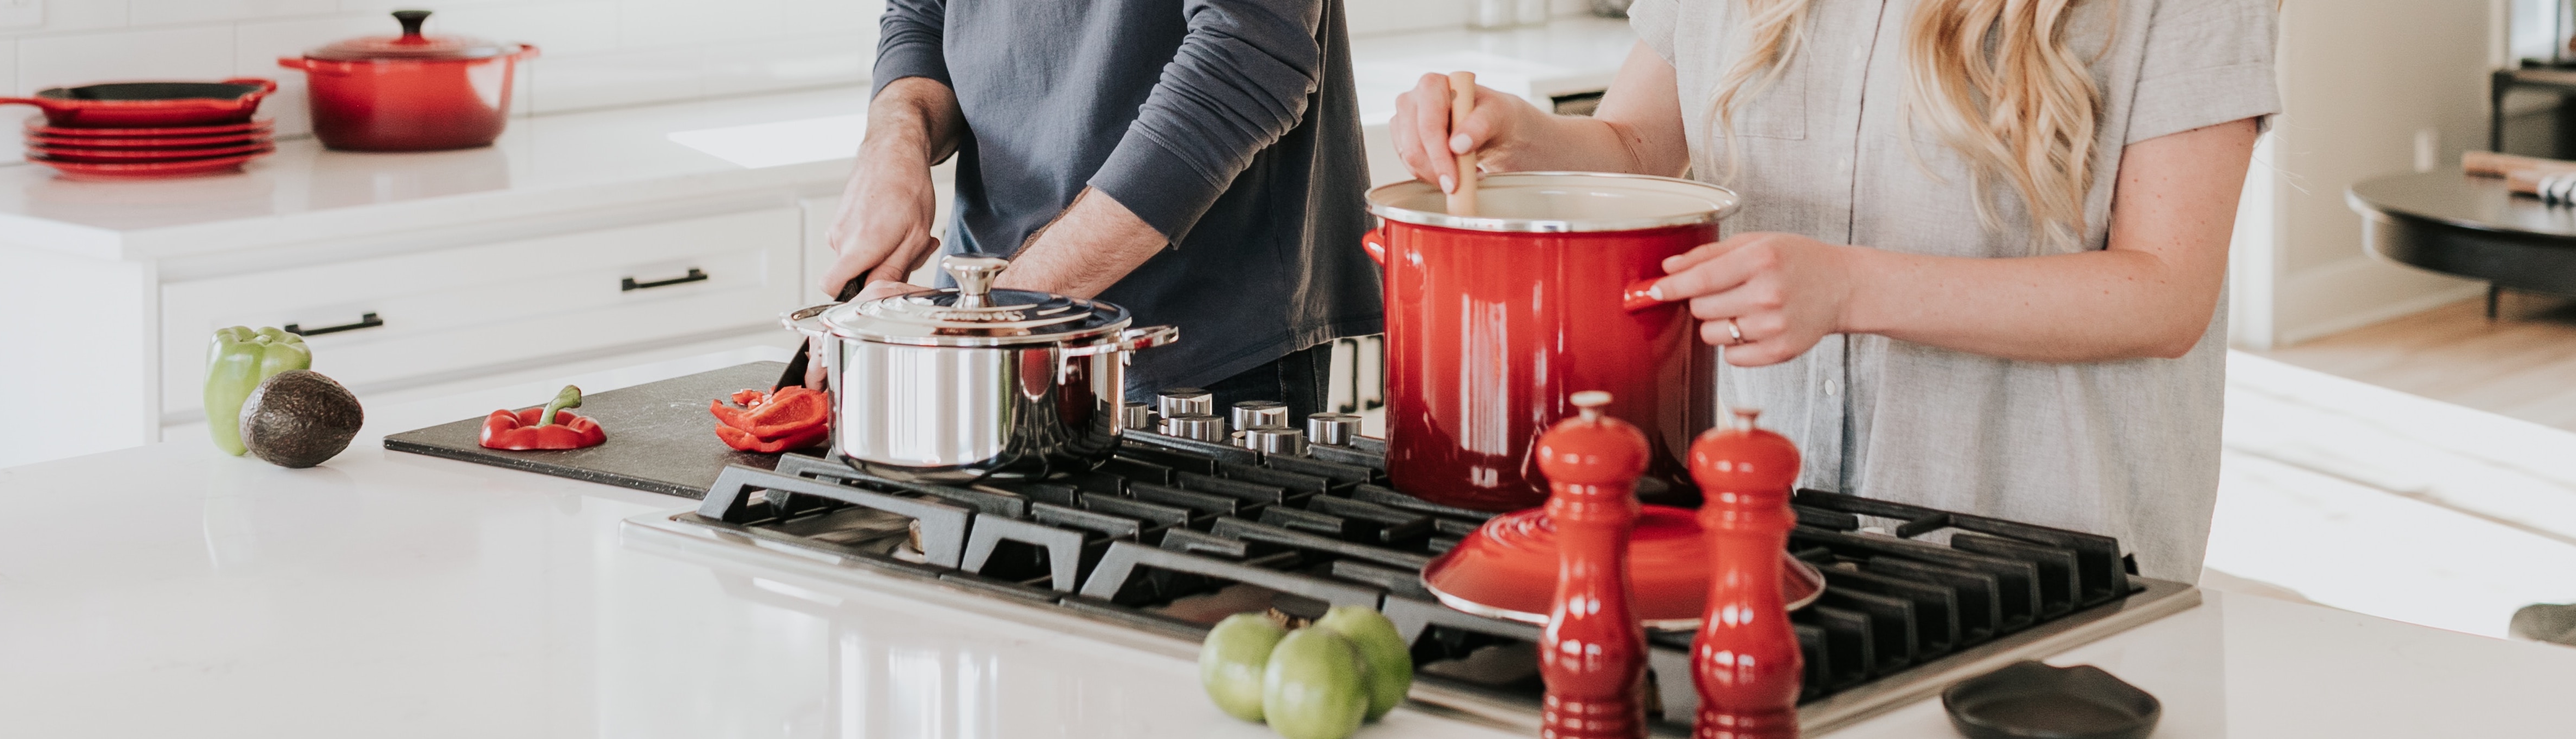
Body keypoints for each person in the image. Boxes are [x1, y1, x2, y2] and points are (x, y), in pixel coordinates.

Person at [1389, 0, 2277, 582]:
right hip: (1763, 543)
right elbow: (1635, 148)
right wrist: (1520, 137)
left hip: (2036, 556)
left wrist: (1848, 289)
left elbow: (2165, 293)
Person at [824, 0, 1381, 422]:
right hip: (982, 328)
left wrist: (995, 316)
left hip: (1200, 353)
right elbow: (925, 15)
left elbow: (1248, 57)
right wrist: (897, 139)